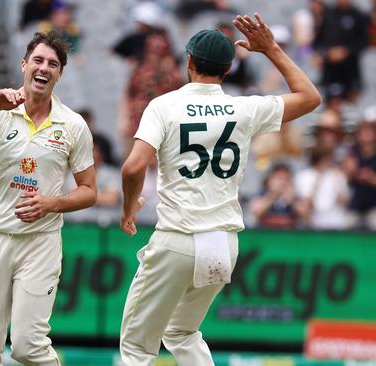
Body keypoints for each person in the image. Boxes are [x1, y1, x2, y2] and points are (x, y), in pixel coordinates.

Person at [118, 13, 321, 365]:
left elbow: (134, 166)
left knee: (137, 347)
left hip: (178, 238)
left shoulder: (164, 106)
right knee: (181, 332)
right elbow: (310, 96)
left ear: (189, 61)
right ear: (227, 69)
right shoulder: (244, 108)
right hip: (222, 244)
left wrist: (128, 207)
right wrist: (271, 49)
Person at [0, 30, 97, 365]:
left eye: (53, 64)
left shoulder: (72, 125)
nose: (44, 68)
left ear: (60, 73)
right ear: (24, 65)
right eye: (38, 60)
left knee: (28, 345)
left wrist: (53, 203)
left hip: (40, 242)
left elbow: (89, 191)